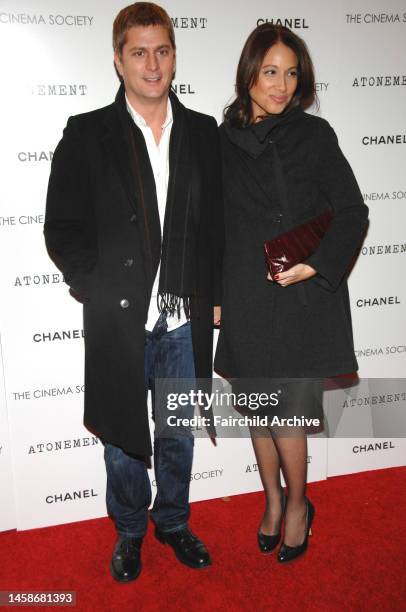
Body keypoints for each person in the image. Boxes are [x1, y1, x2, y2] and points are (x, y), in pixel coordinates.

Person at [44, 2, 223, 582]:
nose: (153, 64)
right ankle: (129, 531)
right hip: (120, 319)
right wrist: (92, 285)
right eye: (140, 52)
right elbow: (61, 227)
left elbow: (216, 223)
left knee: (177, 430)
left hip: (182, 315)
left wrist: (215, 292)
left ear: (175, 55)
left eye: (163, 50)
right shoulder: (86, 132)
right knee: (123, 437)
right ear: (119, 60)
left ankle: (172, 522)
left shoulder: (202, 132)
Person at [214, 23, 368, 563]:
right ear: (249, 73)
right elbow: (214, 226)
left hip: (300, 296)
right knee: (258, 410)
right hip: (246, 296)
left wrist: (315, 265)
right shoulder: (220, 140)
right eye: (270, 71)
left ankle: (299, 506)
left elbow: (352, 212)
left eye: (291, 73)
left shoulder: (314, 135)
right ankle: (273, 502)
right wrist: (214, 293)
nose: (281, 85)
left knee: (287, 414)